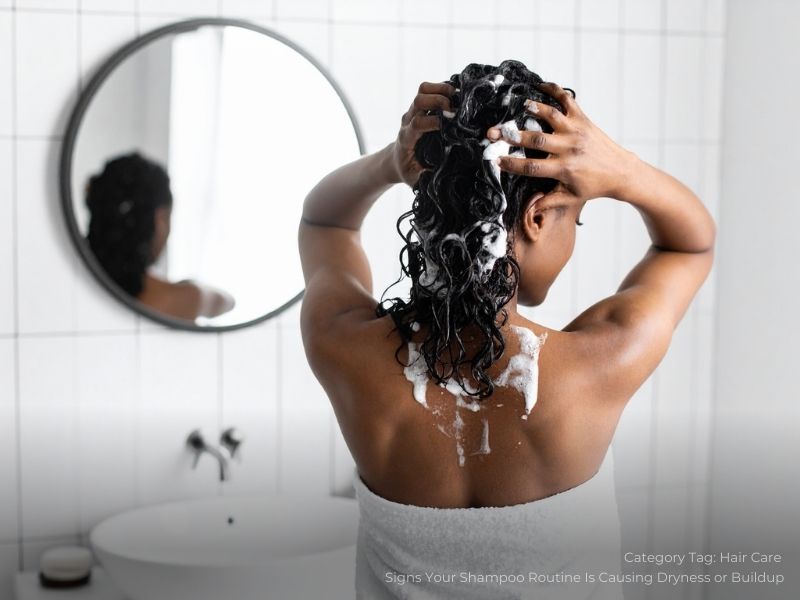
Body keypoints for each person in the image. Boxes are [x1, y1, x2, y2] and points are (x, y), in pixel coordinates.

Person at [298, 60, 715, 598]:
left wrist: (391, 162)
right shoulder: (602, 362)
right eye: (575, 217)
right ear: (537, 217)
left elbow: (324, 222)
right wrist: (624, 170)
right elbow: (691, 243)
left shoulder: (345, 347)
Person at [85, 153, 234, 322]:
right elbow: (226, 302)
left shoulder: (74, 273)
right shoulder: (177, 298)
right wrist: (188, 284)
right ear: (160, 218)